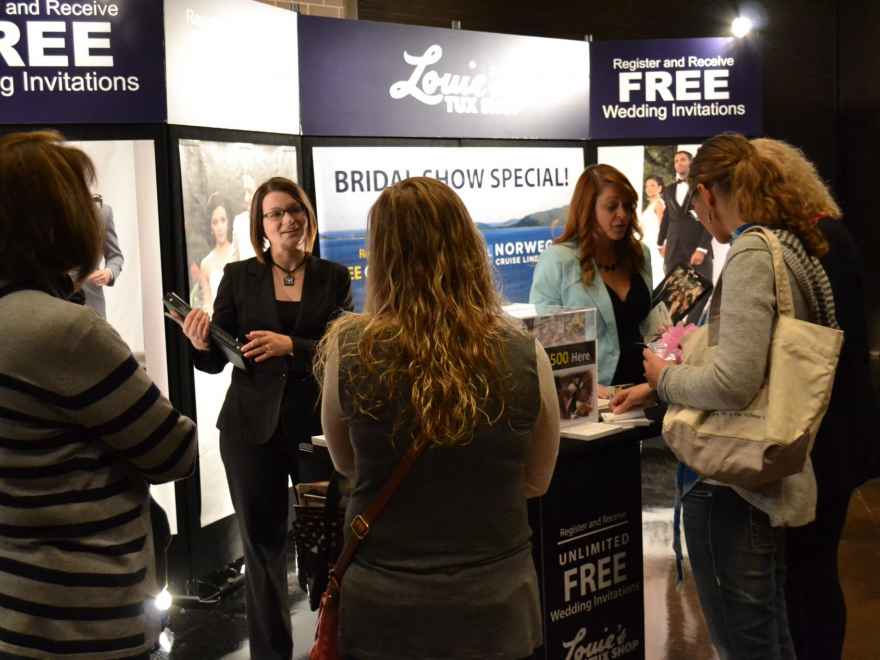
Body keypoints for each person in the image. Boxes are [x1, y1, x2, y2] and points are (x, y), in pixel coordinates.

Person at [316, 177, 560, 660]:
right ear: (469, 247)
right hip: (495, 607)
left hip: (383, 610)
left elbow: (347, 464)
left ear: (382, 256)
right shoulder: (524, 352)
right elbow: (536, 480)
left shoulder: (349, 350)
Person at [0, 130, 197, 659]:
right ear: (57, 217)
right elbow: (175, 451)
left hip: (16, 611)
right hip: (86, 622)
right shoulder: (67, 332)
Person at [643, 133, 838, 660]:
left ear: (707, 193)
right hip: (762, 477)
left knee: (747, 644)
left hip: (733, 481)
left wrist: (664, 378)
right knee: (769, 636)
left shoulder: (753, 251)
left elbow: (733, 381)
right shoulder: (790, 245)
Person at [179, 176, 351, 660]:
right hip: (250, 430)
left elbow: (341, 351)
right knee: (262, 551)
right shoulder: (239, 276)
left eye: (293, 209)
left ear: (306, 215)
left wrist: (290, 347)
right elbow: (220, 358)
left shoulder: (333, 276)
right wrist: (202, 342)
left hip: (316, 432)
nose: (286, 220)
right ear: (261, 226)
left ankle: (331, 645)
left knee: (326, 547)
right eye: (274, 214)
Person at [753, 137, 878, 660]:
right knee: (818, 570)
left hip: (818, 434)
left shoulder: (801, 244)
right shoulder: (832, 232)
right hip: (845, 430)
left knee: (805, 575)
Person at [530, 163, 653, 392]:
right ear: (587, 209)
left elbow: (648, 324)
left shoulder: (640, 254)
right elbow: (546, 347)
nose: (622, 215)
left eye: (628, 207)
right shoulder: (558, 260)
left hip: (645, 390)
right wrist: (590, 390)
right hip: (591, 397)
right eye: (611, 207)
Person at [657, 150, 713, 280]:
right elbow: (666, 218)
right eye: (676, 161)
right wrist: (660, 243)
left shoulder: (702, 187)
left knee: (700, 293)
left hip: (696, 250)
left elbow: (710, 218)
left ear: (691, 163)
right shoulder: (669, 190)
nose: (678, 163)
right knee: (674, 295)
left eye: (683, 159)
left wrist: (702, 248)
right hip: (673, 250)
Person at [80, 197, 124, 319]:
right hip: (54, 302)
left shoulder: (103, 212)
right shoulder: (47, 210)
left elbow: (115, 256)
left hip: (92, 305)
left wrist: (109, 272)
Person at [199, 194, 237, 314]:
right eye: (215, 222)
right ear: (210, 227)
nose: (220, 227)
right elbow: (208, 304)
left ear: (228, 222)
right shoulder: (206, 263)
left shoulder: (238, 254)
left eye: (223, 220)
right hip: (217, 325)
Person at [640, 174, 667, 286]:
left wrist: (663, 244)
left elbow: (664, 225)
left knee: (655, 273)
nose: (649, 188)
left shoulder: (659, 203)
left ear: (660, 188)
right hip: (646, 242)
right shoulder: (649, 205)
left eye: (652, 185)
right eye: (647, 186)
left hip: (655, 244)